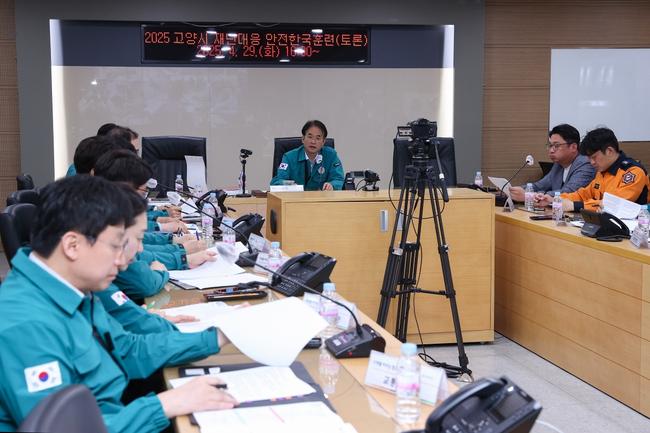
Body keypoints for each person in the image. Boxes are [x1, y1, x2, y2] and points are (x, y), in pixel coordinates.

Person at [0, 176, 236, 433]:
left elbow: (128, 349)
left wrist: (221, 335)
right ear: (72, 245)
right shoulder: (25, 324)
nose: (124, 262)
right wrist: (163, 405)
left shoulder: (73, 288)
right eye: (116, 246)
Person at [536, 127, 650, 211]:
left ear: (609, 151)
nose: (591, 162)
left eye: (594, 157)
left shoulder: (632, 172)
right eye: (589, 158)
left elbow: (613, 205)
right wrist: (555, 199)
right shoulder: (602, 172)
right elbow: (583, 194)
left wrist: (575, 206)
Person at [509, 124, 595, 201]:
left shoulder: (586, 164)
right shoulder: (559, 164)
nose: (551, 150)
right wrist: (514, 190)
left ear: (573, 147)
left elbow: (569, 192)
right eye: (550, 145)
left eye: (556, 146)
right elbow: (539, 186)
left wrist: (530, 195)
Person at [270, 120, 344, 191]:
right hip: (296, 198)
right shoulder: (289, 157)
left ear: (323, 142)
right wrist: (289, 185)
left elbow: (338, 179)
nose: (313, 141)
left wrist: (332, 185)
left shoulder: (331, 155)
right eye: (310, 137)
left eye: (318, 138)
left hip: (322, 199)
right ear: (303, 139)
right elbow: (277, 181)